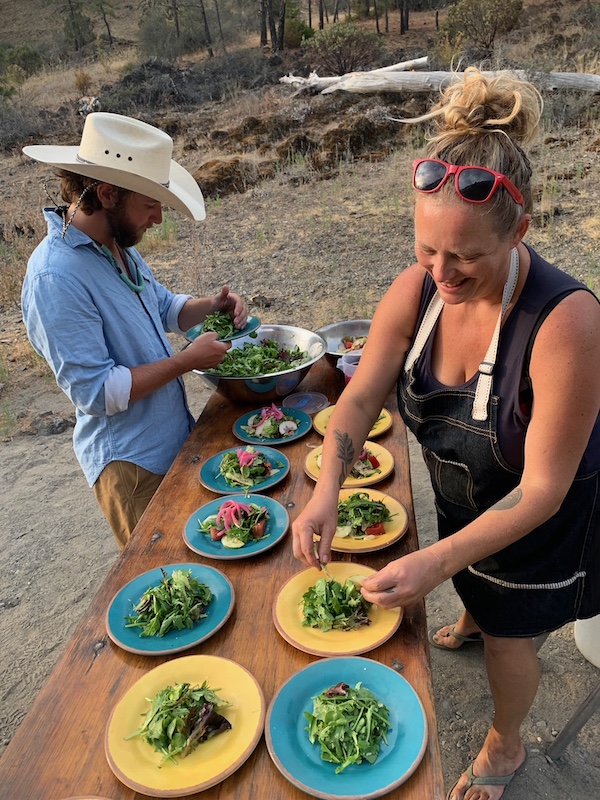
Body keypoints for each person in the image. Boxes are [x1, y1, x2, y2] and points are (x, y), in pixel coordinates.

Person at [292, 67, 600, 800]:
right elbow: (362, 392)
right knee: (466, 569)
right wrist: (326, 489)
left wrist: (431, 562)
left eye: (464, 257)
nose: (442, 273)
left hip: (541, 506)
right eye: (428, 250)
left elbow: (542, 493)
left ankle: (505, 746)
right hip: (470, 485)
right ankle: (470, 604)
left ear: (521, 231)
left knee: (509, 628)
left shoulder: (568, 322)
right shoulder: (420, 286)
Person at [21, 112, 248, 550]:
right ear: (107, 194)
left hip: (171, 441)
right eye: (150, 204)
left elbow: (160, 306)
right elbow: (97, 393)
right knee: (170, 575)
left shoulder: (112, 246)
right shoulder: (57, 276)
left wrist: (212, 306)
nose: (158, 219)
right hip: (133, 466)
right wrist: (187, 361)